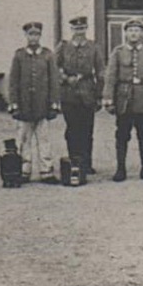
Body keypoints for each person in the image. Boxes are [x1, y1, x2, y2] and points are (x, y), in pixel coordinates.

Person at [102, 17, 143, 182]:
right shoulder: (118, 52)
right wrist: (108, 99)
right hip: (124, 100)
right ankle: (120, 169)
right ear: (126, 33)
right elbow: (110, 76)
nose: (133, 34)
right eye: (130, 30)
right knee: (122, 135)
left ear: (142, 33)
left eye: (137, 30)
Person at [7, 21, 61, 183]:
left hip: (42, 106)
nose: (33, 37)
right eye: (30, 34)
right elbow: (13, 82)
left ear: (40, 36)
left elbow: (54, 81)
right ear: (26, 36)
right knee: (23, 140)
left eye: (36, 34)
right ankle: (25, 170)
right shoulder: (19, 56)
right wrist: (14, 104)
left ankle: (46, 171)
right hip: (24, 106)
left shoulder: (48, 55)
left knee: (44, 140)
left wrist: (54, 104)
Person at [55, 15, 104, 178]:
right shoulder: (63, 47)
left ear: (86, 29)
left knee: (87, 129)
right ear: (71, 30)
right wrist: (65, 78)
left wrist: (99, 94)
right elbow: (54, 68)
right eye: (76, 29)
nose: (79, 32)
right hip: (69, 93)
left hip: (87, 91)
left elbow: (100, 72)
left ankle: (86, 163)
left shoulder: (93, 47)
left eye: (82, 28)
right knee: (71, 129)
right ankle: (74, 160)